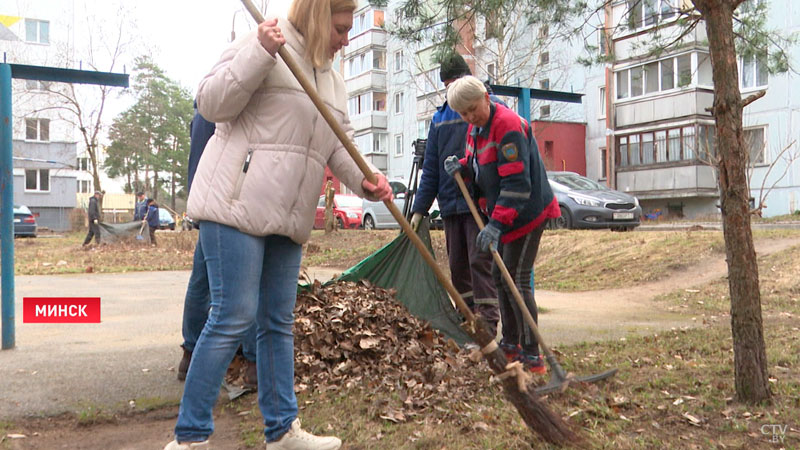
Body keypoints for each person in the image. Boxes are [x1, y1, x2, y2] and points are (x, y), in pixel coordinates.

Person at [164, 1, 393, 449]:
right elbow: (211, 104)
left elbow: (336, 145)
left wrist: (366, 180)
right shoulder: (265, 40)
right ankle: (189, 438)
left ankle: (282, 432)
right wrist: (259, 54)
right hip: (236, 206)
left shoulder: (332, 78)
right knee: (232, 316)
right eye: (341, 28)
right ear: (317, 16)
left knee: (276, 323)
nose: (346, 39)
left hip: (288, 215)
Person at [443, 76, 560, 374]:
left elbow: (517, 183)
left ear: (485, 96)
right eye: (463, 114)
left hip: (527, 212)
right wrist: (463, 170)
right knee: (499, 276)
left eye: (472, 109)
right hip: (504, 214)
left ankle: (532, 354)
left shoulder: (507, 125)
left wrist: (495, 224)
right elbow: (482, 170)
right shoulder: (476, 129)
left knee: (516, 281)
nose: (470, 117)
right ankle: (511, 343)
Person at [409, 52, 500, 338]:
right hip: (451, 204)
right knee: (459, 267)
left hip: (479, 202)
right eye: (448, 85)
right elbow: (432, 170)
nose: (453, 92)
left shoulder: (488, 107)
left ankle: (487, 325)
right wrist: (419, 209)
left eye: (455, 83)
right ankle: (468, 326)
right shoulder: (439, 118)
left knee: (479, 262)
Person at [177, 105, 258, 390]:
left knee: (202, 282)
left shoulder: (205, 112)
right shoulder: (218, 111)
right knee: (245, 285)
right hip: (228, 205)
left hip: (210, 204)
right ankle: (252, 364)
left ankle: (190, 355)